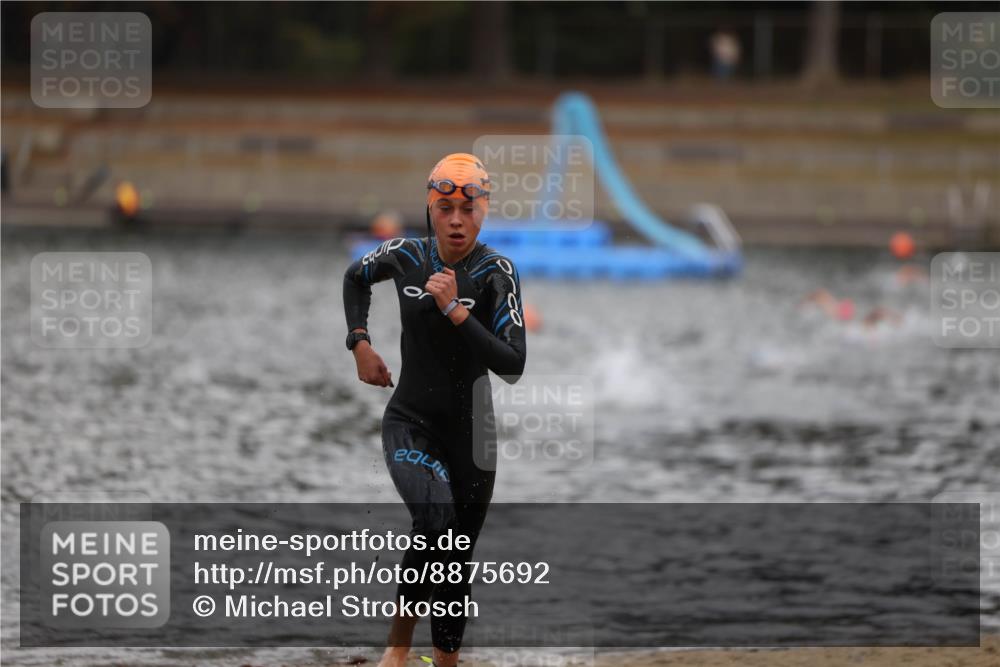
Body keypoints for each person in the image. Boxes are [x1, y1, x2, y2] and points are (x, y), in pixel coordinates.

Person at [342, 153, 527, 667]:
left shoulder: (497, 273)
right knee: (436, 517)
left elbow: (513, 365)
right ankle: (397, 652)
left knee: (455, 555)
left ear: (483, 212)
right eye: (445, 208)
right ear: (430, 208)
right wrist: (359, 342)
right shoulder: (405, 255)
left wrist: (455, 310)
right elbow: (355, 278)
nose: (456, 221)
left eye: (468, 210)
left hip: (475, 436)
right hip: (411, 423)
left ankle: (446, 660)